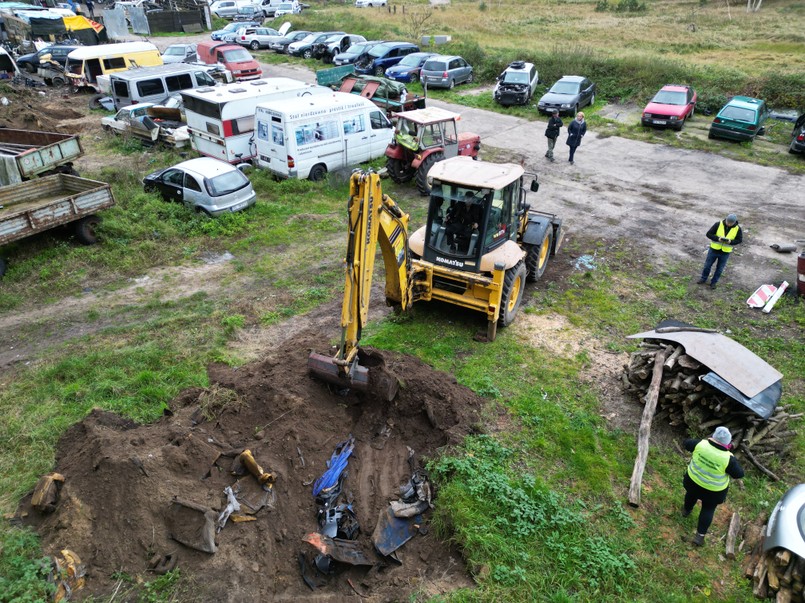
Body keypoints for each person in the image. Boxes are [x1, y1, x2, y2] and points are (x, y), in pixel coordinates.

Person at [682, 427, 744, 546]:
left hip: (693, 482)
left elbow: (686, 443)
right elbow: (739, 474)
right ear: (728, 443)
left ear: (713, 437)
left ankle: (686, 510)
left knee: (691, 495)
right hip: (713, 492)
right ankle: (699, 537)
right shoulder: (728, 458)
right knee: (708, 509)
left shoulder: (700, 444)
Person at [698, 213, 742, 290]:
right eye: (728, 222)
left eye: (731, 223)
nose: (729, 224)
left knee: (720, 269)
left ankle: (714, 282)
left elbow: (739, 240)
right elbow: (708, 234)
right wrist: (718, 239)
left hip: (725, 252)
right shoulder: (718, 224)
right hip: (714, 249)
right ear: (726, 219)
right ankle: (703, 278)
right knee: (707, 266)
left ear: (734, 222)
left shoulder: (737, 229)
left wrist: (730, 242)